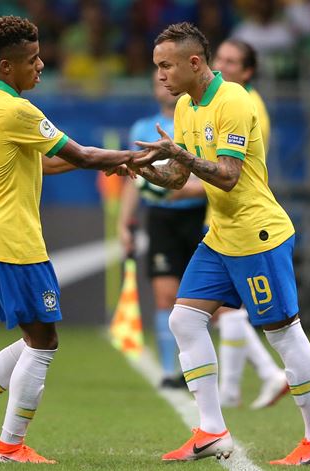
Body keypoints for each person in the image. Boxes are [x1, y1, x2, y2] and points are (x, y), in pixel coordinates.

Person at [0, 16, 142, 464]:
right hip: (12, 240)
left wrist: (108, 164)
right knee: (43, 341)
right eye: (32, 60)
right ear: (7, 66)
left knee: (36, 337)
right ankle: (10, 446)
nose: (41, 65)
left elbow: (40, 164)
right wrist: (137, 156)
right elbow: (80, 152)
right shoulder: (16, 110)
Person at [126, 22, 310, 465]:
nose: (160, 75)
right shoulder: (185, 107)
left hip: (257, 233)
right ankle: (211, 430)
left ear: (194, 63)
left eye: (166, 66)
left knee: (283, 333)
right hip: (221, 235)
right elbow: (179, 178)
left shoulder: (234, 100)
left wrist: (181, 156)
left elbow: (227, 175)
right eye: (157, 67)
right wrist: (143, 171)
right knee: (184, 319)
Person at [210, 38, 289, 410]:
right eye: (219, 58)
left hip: (245, 218)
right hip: (223, 215)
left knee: (234, 311)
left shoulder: (243, 102)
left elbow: (232, 172)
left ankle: (263, 379)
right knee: (224, 310)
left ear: (248, 71)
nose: (222, 65)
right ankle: (237, 389)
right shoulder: (222, 99)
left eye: (232, 61)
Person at [118, 69, 207, 389]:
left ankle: (199, 368)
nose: (163, 86)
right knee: (164, 296)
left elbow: (213, 172)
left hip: (198, 216)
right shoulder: (143, 128)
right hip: (161, 218)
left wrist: (188, 190)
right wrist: (124, 223)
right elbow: (134, 180)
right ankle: (171, 371)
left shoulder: (196, 122)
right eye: (157, 81)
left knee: (201, 301)